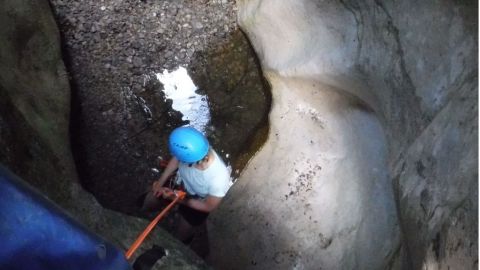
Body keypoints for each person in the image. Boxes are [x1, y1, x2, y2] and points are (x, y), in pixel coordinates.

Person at [142, 126, 232, 247]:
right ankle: (140, 217)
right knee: (151, 199)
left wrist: (178, 200)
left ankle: (179, 246)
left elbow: (208, 206)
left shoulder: (219, 179)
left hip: (198, 199)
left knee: (182, 233)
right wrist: (160, 183)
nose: (178, 158)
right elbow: (176, 159)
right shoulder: (195, 149)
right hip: (180, 182)